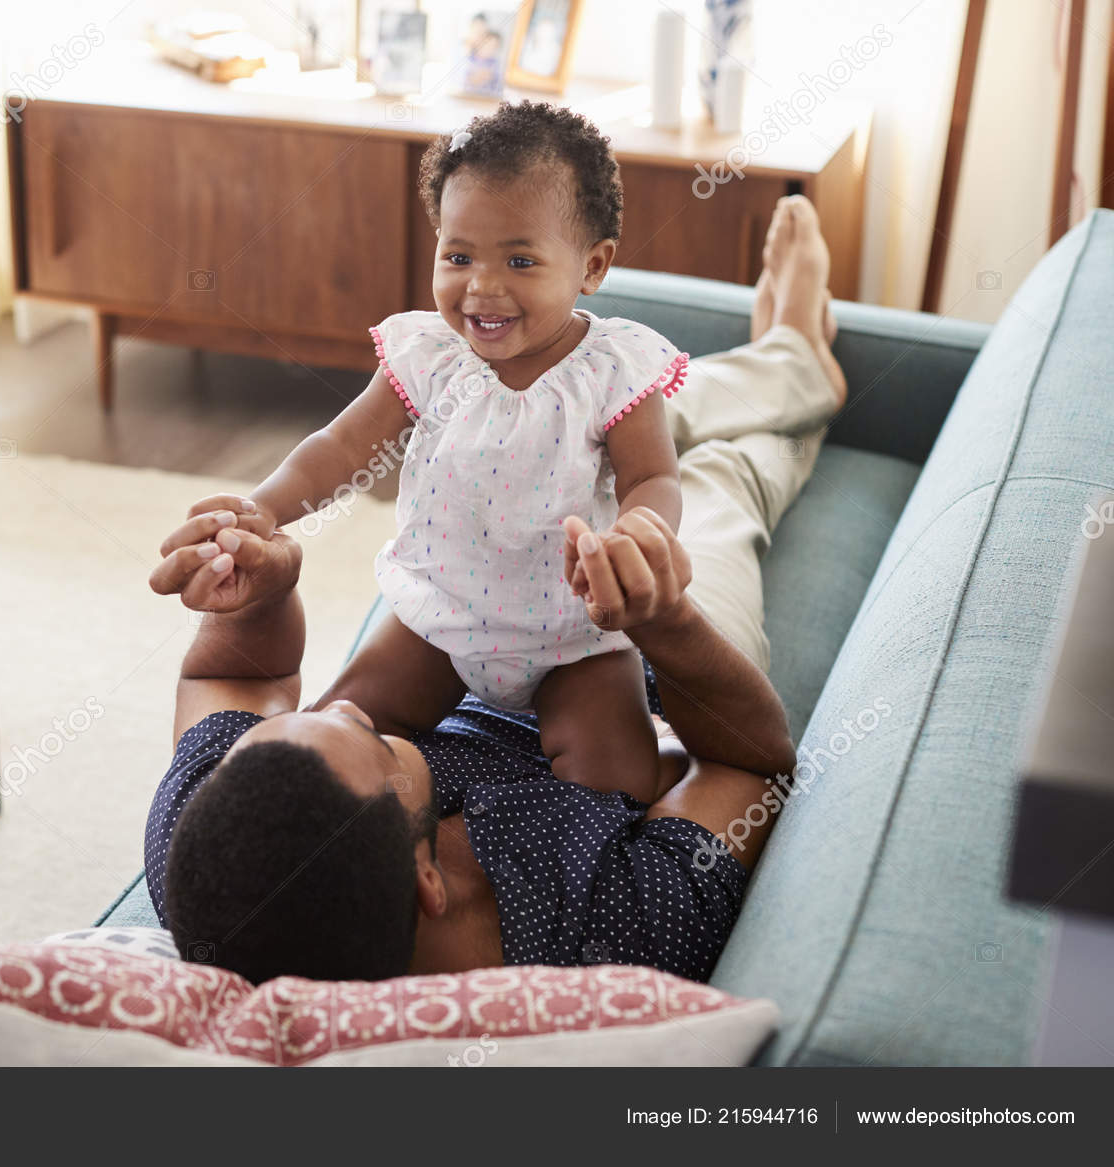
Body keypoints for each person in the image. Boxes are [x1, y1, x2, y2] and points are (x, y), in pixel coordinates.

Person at [146, 194, 846, 987]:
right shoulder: (612, 925)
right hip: (648, 643)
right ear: (428, 879)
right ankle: (798, 361)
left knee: (614, 427)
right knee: (723, 478)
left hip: (480, 584)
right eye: (372, 741)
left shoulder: (210, 842)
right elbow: (753, 768)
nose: (339, 705)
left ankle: (768, 367)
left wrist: (263, 582)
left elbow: (232, 678)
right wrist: (660, 613)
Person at [197, 101, 691, 804]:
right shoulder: (430, 354)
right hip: (443, 617)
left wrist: (641, 528)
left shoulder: (611, 368)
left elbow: (654, 477)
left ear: (593, 264)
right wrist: (262, 509)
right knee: (333, 738)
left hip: (573, 635)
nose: (482, 286)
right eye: (458, 256)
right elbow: (339, 447)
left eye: (520, 260)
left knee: (619, 784)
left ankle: (654, 745)